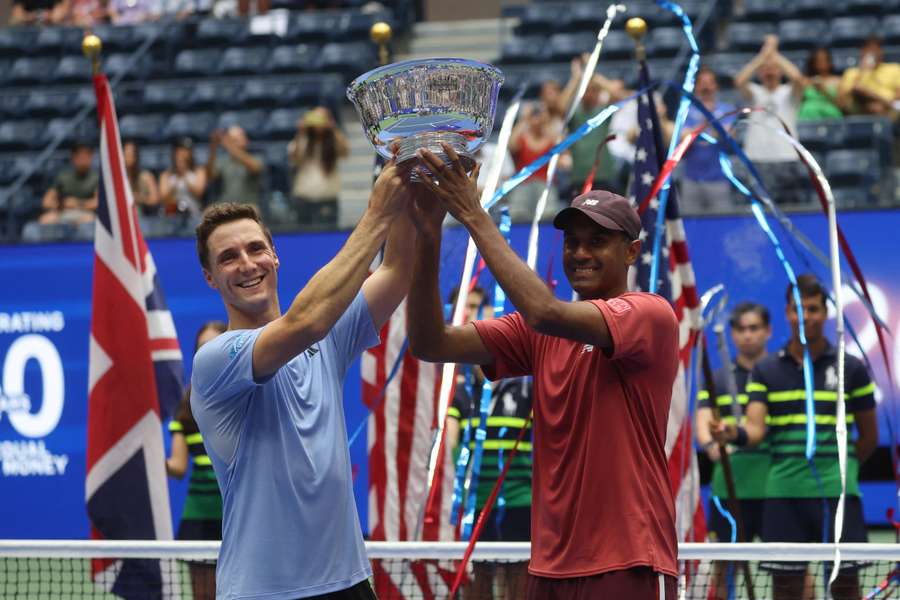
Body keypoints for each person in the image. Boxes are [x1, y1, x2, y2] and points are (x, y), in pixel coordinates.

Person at [408, 143, 680, 599]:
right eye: (572, 241)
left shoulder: (649, 315)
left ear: (633, 252)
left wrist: (474, 214)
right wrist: (430, 236)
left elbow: (542, 310)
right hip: (548, 567)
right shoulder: (541, 332)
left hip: (627, 560)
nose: (580, 253)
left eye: (597, 241)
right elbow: (429, 342)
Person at [189, 156, 415, 599]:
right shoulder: (214, 360)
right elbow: (303, 324)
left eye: (256, 249)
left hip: (348, 583)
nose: (247, 264)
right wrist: (377, 213)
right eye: (228, 258)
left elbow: (396, 270)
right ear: (210, 278)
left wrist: (413, 190)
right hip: (262, 592)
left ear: (275, 255)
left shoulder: (325, 335)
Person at [714, 274, 878, 600]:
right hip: (783, 495)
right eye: (798, 309)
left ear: (826, 312)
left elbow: (869, 438)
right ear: (788, 313)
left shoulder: (853, 368)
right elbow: (757, 431)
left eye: (813, 308)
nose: (806, 316)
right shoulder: (766, 371)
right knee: (786, 590)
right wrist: (733, 433)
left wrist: (839, 468)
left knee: (845, 586)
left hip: (839, 494)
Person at [445, 286, 532, 600]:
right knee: (478, 582)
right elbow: (449, 446)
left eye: (476, 305)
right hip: (475, 505)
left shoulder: (525, 386)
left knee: (518, 584)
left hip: (521, 502)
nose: (469, 313)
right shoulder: (456, 391)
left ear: (493, 311)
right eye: (462, 308)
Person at [694, 302, 771, 599]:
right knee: (724, 569)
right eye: (741, 329)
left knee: (792, 571)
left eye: (754, 328)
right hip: (728, 491)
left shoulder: (779, 371)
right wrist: (714, 446)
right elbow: (703, 422)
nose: (747, 335)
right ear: (733, 334)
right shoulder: (719, 379)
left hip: (772, 491)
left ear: (767, 331)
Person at [166, 320, 228, 600]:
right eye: (202, 348)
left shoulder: (248, 397)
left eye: (215, 346)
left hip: (239, 519)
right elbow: (177, 467)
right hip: (199, 520)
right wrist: (146, 456)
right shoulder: (186, 409)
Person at [735, 35, 808, 206]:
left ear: (780, 71)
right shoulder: (755, 93)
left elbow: (798, 79)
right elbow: (739, 80)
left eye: (773, 68)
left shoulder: (789, 93)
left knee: (790, 209)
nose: (769, 72)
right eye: (765, 69)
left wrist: (774, 54)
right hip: (756, 159)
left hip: (786, 158)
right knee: (758, 211)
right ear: (759, 73)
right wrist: (763, 55)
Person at [558, 55, 628, 198]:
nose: (589, 94)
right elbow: (560, 107)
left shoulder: (603, 113)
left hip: (604, 174)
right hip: (579, 176)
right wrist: (576, 78)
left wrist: (593, 74)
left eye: (593, 90)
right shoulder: (574, 115)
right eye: (586, 90)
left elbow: (618, 95)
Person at [679, 66, 737, 213]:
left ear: (715, 86)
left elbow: (729, 134)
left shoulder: (727, 109)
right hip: (691, 178)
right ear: (696, 86)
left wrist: (706, 122)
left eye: (709, 82)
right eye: (701, 83)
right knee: (691, 224)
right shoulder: (686, 111)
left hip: (718, 178)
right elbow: (683, 137)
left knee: (722, 222)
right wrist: (707, 120)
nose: (705, 86)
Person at [287, 107, 349, 228]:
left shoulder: (333, 140)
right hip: (304, 198)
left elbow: (345, 151)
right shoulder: (304, 139)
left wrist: (332, 128)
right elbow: (294, 157)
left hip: (327, 198)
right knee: (303, 235)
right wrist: (300, 131)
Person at [506, 102, 561, 223]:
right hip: (524, 184)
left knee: (548, 213)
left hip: (545, 184)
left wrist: (546, 120)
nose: (536, 120)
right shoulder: (523, 138)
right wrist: (523, 119)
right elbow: (511, 145)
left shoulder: (550, 137)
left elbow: (561, 148)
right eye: (534, 116)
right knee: (517, 213)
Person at [38, 142, 99, 226]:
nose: (83, 159)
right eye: (80, 156)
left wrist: (77, 204)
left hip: (86, 214)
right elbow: (46, 202)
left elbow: (97, 203)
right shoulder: (63, 176)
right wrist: (61, 205)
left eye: (87, 155)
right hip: (64, 213)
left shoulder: (97, 177)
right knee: (46, 220)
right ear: (73, 158)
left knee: (89, 221)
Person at [837, 37, 900, 116]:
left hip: (888, 108)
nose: (873, 53)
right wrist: (862, 71)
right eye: (869, 49)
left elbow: (898, 97)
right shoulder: (852, 72)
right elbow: (842, 101)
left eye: (876, 49)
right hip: (861, 108)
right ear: (862, 52)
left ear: (881, 51)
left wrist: (876, 98)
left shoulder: (895, 68)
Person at [206, 125, 264, 206]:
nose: (234, 142)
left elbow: (255, 167)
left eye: (237, 139)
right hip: (227, 206)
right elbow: (211, 175)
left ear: (246, 140)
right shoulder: (223, 161)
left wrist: (227, 143)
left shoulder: (256, 158)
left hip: (249, 207)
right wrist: (213, 148)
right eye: (233, 140)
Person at [159, 137, 207, 224]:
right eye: (180, 150)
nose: (183, 154)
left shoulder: (199, 171)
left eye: (186, 150)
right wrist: (176, 180)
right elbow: (163, 197)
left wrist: (184, 174)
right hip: (171, 215)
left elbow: (199, 192)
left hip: (194, 214)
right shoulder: (166, 174)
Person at [799, 47, 844, 121]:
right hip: (807, 115)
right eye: (818, 60)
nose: (821, 63)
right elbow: (797, 103)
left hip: (831, 115)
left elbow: (842, 105)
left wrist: (824, 90)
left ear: (829, 62)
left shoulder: (838, 80)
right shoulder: (805, 80)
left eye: (824, 60)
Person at [124, 141, 161, 217]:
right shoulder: (116, 178)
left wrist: (139, 199)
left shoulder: (146, 176)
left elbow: (155, 199)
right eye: (127, 155)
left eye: (132, 155)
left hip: (143, 215)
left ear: (137, 156)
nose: (130, 158)